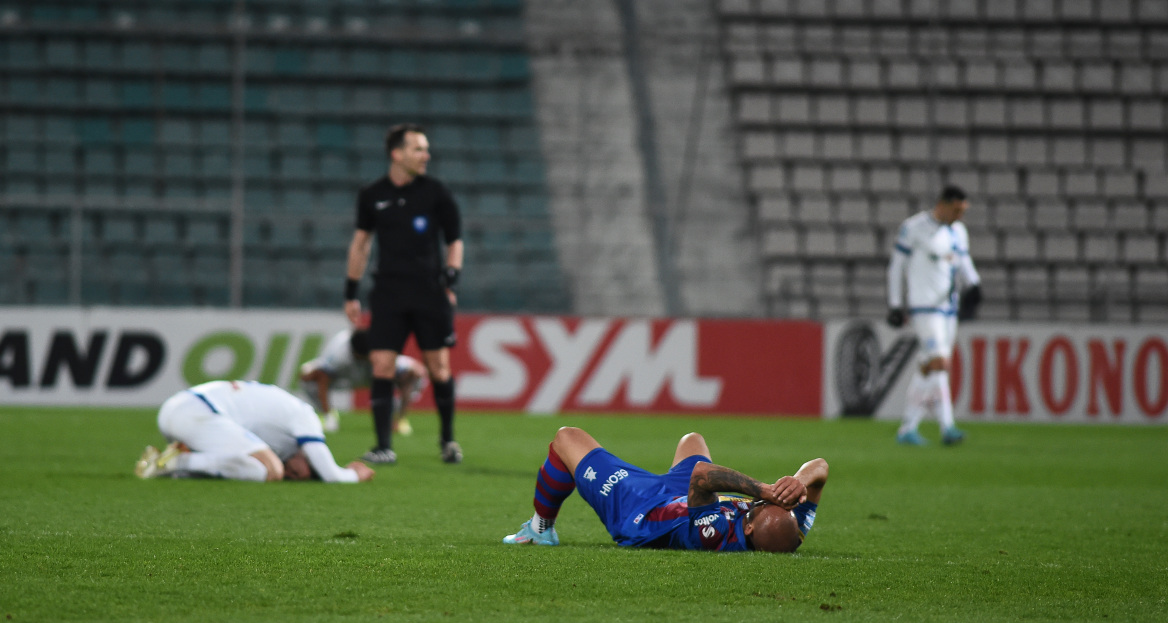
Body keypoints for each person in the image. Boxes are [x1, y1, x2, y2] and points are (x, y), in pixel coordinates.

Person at [502, 427, 828, 553]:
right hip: (680, 494)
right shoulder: (790, 533)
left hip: (642, 510)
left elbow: (701, 477)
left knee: (566, 440)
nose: (757, 502)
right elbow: (821, 468)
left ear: (750, 525)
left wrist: (764, 488)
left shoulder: (713, 534)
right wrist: (799, 480)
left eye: (758, 506)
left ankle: (539, 530)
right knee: (693, 440)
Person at [344, 123, 463, 466]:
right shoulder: (371, 195)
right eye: (418, 149)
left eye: (425, 149)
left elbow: (454, 240)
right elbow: (361, 245)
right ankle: (383, 445)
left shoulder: (437, 193)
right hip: (389, 293)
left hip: (429, 291)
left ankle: (448, 440)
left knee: (438, 367)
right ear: (396, 154)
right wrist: (351, 291)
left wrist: (452, 278)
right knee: (381, 364)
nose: (426, 155)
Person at [886, 185, 982, 446]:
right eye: (957, 209)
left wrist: (974, 285)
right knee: (940, 363)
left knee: (934, 369)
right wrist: (895, 303)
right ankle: (930, 426)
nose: (960, 215)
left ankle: (928, 428)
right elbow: (897, 266)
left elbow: (963, 263)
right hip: (924, 308)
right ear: (943, 204)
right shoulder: (914, 228)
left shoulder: (958, 231)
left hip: (949, 310)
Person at [135, 380, 375, 483]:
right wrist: (355, 474)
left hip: (180, 410)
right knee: (272, 470)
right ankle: (178, 462)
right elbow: (332, 475)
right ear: (309, 457)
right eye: (303, 473)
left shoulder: (281, 431)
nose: (295, 476)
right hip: (196, 411)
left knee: (256, 467)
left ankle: (178, 463)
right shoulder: (306, 416)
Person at [298, 327, 428, 435]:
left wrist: (405, 382)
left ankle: (398, 418)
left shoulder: (379, 346)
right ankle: (328, 415)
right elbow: (322, 379)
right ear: (354, 352)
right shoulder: (338, 351)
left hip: (376, 377)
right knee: (306, 377)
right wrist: (328, 415)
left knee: (418, 375)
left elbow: (412, 370)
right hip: (343, 379)